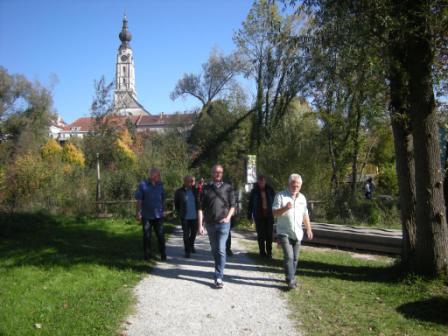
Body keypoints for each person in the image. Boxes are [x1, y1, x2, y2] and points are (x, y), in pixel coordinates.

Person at [272, 174, 313, 290]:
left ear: (300, 186)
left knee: (295, 258)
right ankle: (291, 280)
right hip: (284, 232)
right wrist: (285, 208)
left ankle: (289, 276)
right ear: (289, 184)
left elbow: (305, 215)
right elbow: (274, 213)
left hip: (298, 233)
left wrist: (309, 229)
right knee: (289, 256)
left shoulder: (302, 198)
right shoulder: (280, 196)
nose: (295, 188)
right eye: (293, 185)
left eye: (298, 186)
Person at [198, 164, 236, 289]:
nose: (217, 174)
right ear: (212, 173)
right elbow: (200, 209)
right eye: (215, 172)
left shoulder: (228, 188)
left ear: (222, 173)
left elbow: (233, 205)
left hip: (223, 224)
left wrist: (228, 218)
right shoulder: (206, 188)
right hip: (210, 224)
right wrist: (200, 225)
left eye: (220, 172)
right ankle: (218, 266)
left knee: (220, 248)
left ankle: (218, 276)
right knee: (215, 250)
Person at [135, 168, 167, 261]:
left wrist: (164, 210)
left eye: (159, 175)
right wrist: (138, 212)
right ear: (151, 175)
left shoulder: (160, 185)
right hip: (146, 215)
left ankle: (163, 254)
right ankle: (147, 256)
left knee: (160, 235)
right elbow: (139, 200)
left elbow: (163, 198)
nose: (158, 177)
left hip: (158, 215)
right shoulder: (143, 185)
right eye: (157, 175)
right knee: (147, 236)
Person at [247, 175, 276, 258]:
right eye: (260, 181)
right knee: (261, 235)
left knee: (269, 235)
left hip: (269, 215)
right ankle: (262, 252)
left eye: (262, 181)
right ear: (258, 182)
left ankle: (269, 252)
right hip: (259, 215)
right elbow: (250, 204)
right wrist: (249, 215)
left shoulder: (270, 189)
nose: (261, 183)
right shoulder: (254, 191)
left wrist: (277, 212)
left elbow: (275, 201)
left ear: (265, 181)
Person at [174, 175, 199, 258]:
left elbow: (199, 202)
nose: (191, 183)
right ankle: (187, 251)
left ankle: (191, 245)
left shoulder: (195, 191)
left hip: (195, 217)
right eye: (189, 181)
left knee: (194, 233)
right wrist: (179, 212)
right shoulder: (179, 192)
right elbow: (176, 203)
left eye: (192, 181)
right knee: (185, 235)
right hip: (185, 217)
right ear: (184, 181)